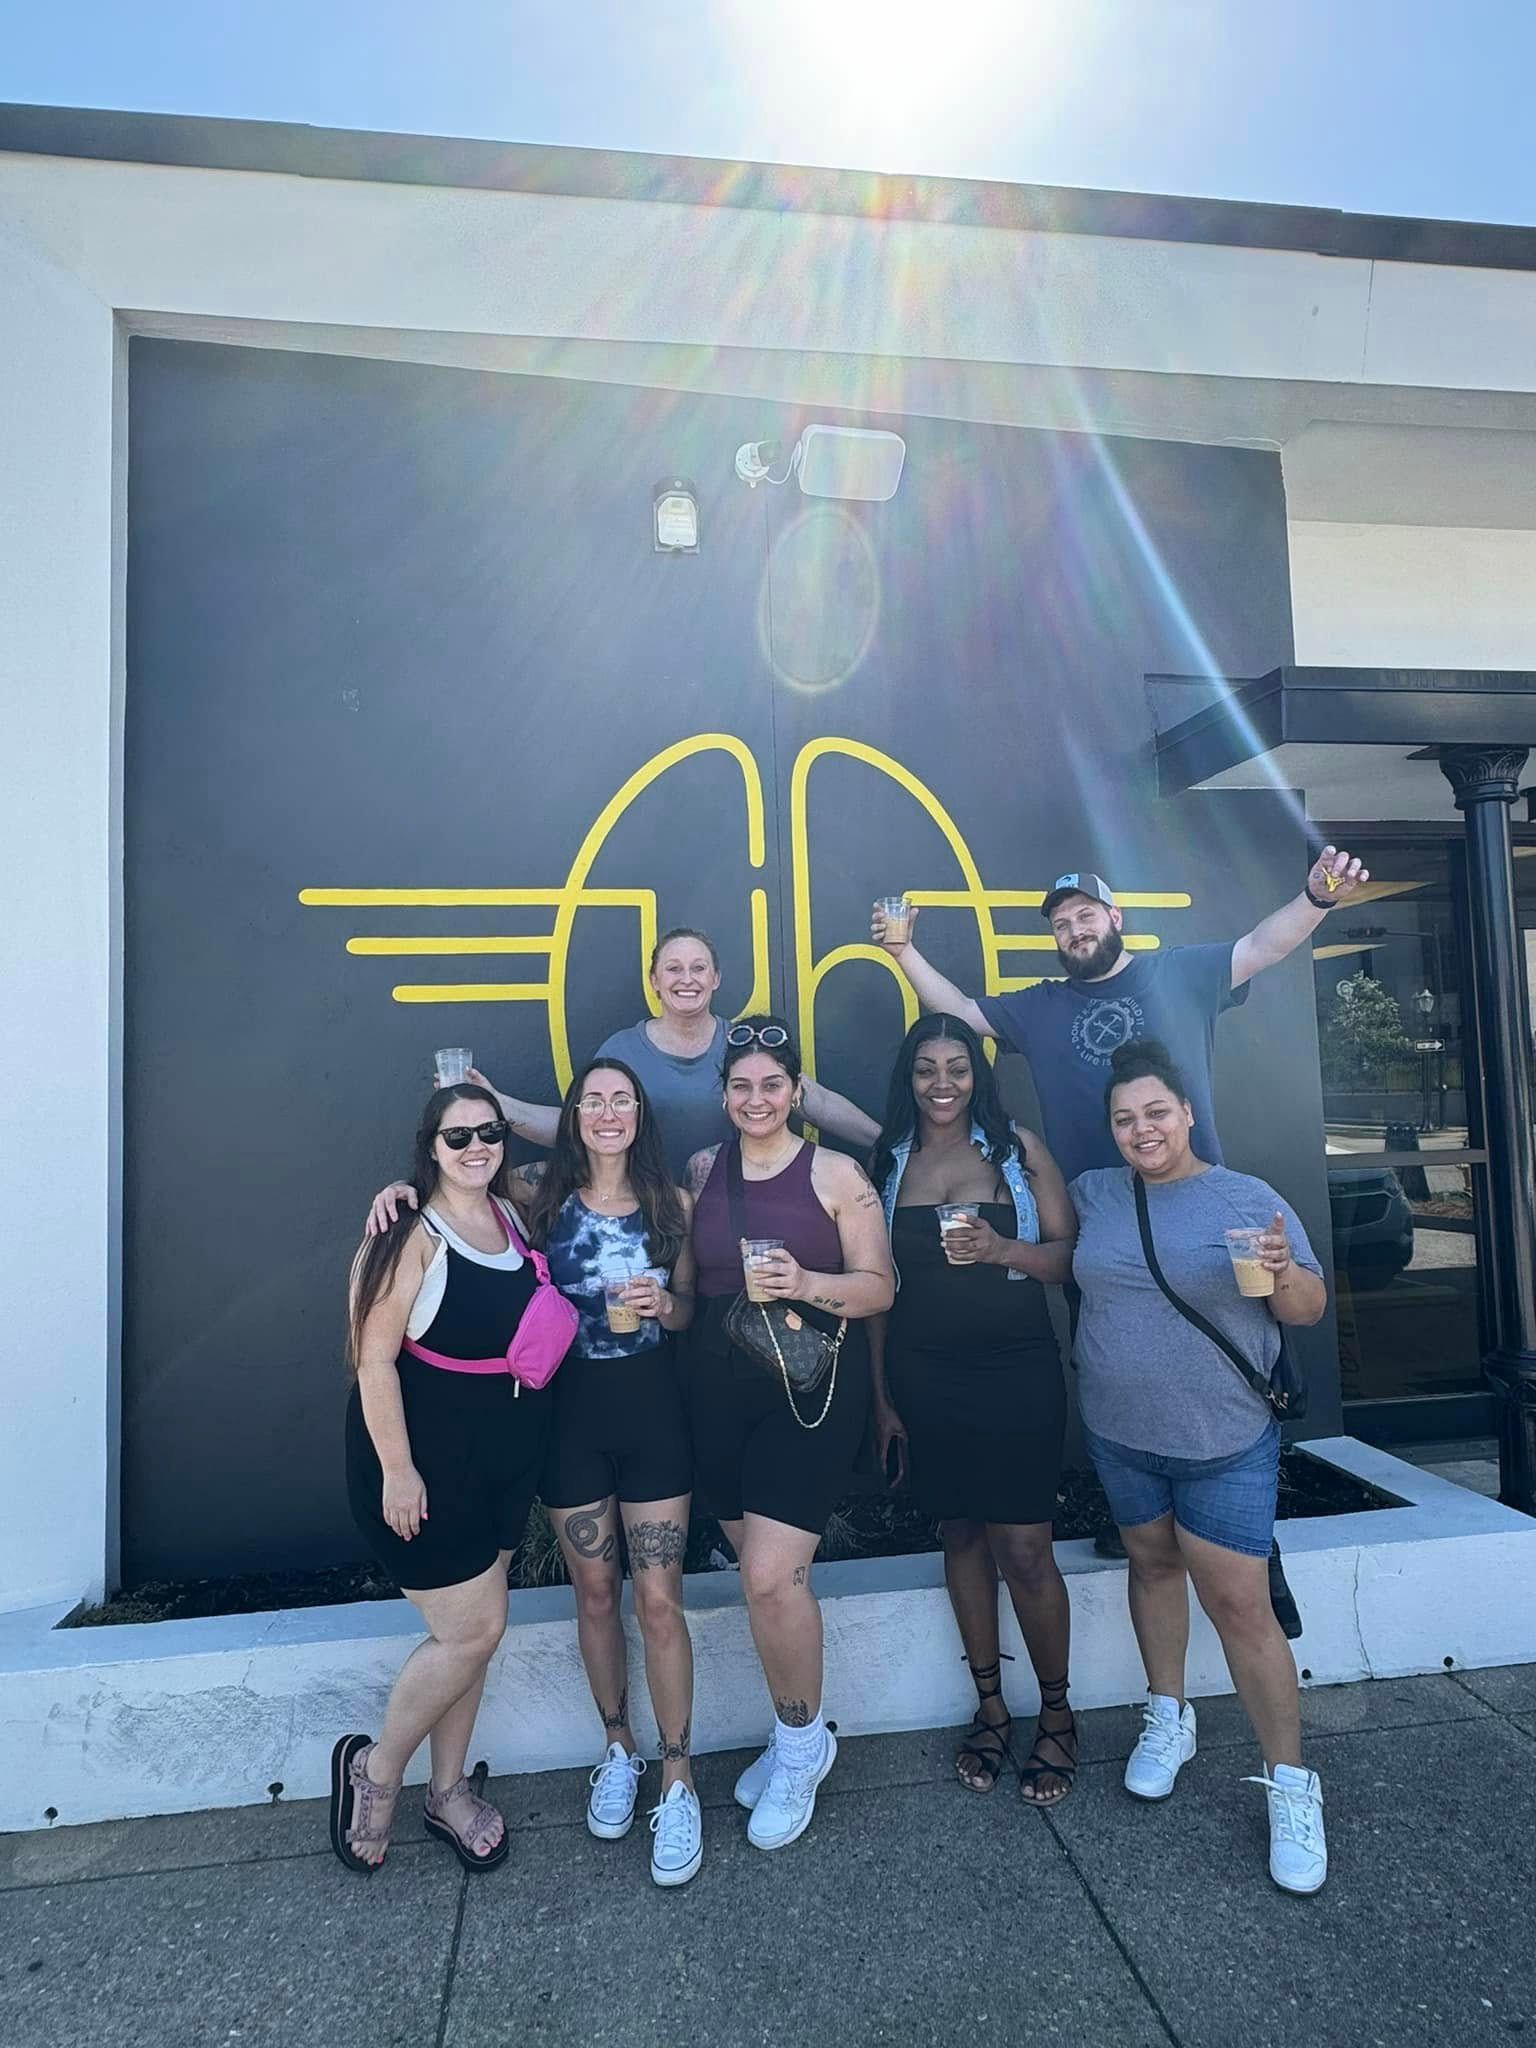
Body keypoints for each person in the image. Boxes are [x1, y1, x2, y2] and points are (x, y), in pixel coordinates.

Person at [1071, 1038, 1330, 1894]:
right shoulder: (1098, 1194)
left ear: (1186, 1114)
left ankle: (1292, 1785)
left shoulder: (1244, 1196)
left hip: (1223, 1441)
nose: (1141, 1129)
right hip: (1120, 1433)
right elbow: (1061, 1260)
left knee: (1238, 1606)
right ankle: (1168, 1715)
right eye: (1124, 1118)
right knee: (1150, 1568)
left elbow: (1307, 1307)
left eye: (1155, 1112)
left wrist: (1283, 1270)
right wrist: (999, 1252)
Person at [331, 1085, 556, 1876]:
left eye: (489, 1132)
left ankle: (450, 1790)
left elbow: (593, 1154)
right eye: (457, 1136)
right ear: (430, 1146)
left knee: (475, 1635)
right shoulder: (407, 1236)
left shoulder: (513, 1214)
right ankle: (379, 1772)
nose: (475, 1147)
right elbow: (372, 1359)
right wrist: (398, 1471)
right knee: (473, 1632)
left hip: (501, 1461)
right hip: (426, 1466)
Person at [685, 1016, 895, 1851]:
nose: (757, 1098)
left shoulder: (838, 1174)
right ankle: (791, 1731)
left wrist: (807, 1280)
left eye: (774, 1084)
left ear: (798, 1093)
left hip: (809, 1395)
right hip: (713, 1392)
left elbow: (881, 1288)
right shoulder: (703, 1170)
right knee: (755, 1578)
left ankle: (805, 1746)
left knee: (773, 1579)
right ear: (723, 1095)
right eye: (741, 1085)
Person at [871, 849, 1369, 1188]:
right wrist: (903, 951)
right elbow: (958, 1011)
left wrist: (1317, 898)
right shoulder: (1040, 1006)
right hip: (1092, 1205)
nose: (1075, 931)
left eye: (1086, 916)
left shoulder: (1179, 973)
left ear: (1115, 917)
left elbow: (1263, 946)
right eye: (1061, 925)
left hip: (1190, 1190)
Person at [867, 1016, 1080, 1805]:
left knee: (1024, 1547)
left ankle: (1056, 1715)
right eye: (927, 1069)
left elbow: (1066, 1255)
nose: (943, 1083)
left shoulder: (1016, 1149)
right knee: (958, 1532)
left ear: (978, 1075)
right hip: (925, 1376)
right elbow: (878, 1288)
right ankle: (990, 1708)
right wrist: (885, 1398)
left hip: (1016, 1371)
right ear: (909, 1077)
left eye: (957, 1067)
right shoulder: (890, 1161)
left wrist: (1001, 1252)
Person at [507, 1057, 703, 1887]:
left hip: (654, 1414)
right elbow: (451, 1182)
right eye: (593, 1099)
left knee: (660, 1599)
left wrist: (669, 1306)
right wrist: (398, 1195)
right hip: (569, 1419)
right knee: (595, 1593)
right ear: (574, 1114)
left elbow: (689, 1306)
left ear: (639, 1114)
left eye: (622, 1098)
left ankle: (678, 1777)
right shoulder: (537, 1195)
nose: (608, 1111)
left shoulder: (673, 1204)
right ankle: (617, 1746)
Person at [368, 930, 879, 1227]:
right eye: (673, 969)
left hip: (733, 1217)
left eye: (699, 968)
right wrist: (494, 1106)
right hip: (647, 1219)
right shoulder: (622, 1050)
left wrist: (889, 1143)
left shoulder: (744, 1043)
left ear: (717, 979)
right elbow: (577, 1126)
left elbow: (813, 1100)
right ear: (654, 980)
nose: (687, 979)